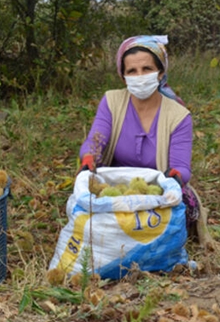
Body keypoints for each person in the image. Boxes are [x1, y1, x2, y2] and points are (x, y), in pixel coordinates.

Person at [79, 35, 213, 247]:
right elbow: (96, 140)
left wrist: (175, 177)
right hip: (116, 185)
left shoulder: (178, 116)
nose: (139, 76)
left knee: (183, 207)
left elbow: (181, 167)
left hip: (157, 190)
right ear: (123, 77)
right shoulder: (112, 101)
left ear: (160, 73)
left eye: (147, 69)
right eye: (132, 71)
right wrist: (89, 157)